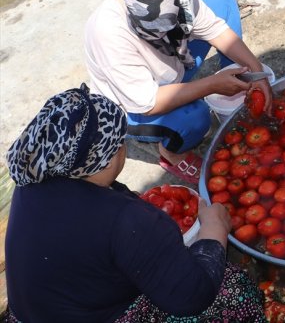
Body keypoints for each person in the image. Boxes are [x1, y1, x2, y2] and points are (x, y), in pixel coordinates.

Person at [5, 85, 266, 322]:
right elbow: (191, 297)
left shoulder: (32, 180)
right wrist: (213, 233)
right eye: (119, 143)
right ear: (105, 160)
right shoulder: (123, 220)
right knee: (232, 291)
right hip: (103, 316)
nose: (123, 149)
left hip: (36, 313)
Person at [85, 0, 272, 184]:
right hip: (134, 105)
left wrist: (254, 70)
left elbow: (215, 30)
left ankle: (235, 81)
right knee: (195, 117)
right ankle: (171, 153)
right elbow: (148, 103)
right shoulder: (109, 35)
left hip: (173, 65)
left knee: (222, 1)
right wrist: (212, 85)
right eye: (162, 32)